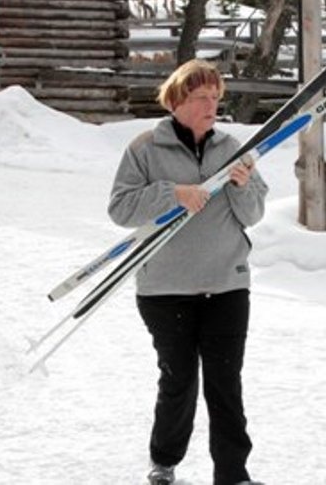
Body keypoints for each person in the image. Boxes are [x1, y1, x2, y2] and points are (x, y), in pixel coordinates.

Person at [108, 59, 268, 485]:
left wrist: (242, 185)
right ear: (177, 100)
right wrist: (172, 194)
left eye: (216, 97)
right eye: (201, 98)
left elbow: (252, 214)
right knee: (178, 378)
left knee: (225, 383)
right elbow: (121, 208)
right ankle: (164, 460)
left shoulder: (232, 147)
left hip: (227, 284)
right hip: (165, 287)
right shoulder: (145, 148)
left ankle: (233, 473)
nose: (211, 105)